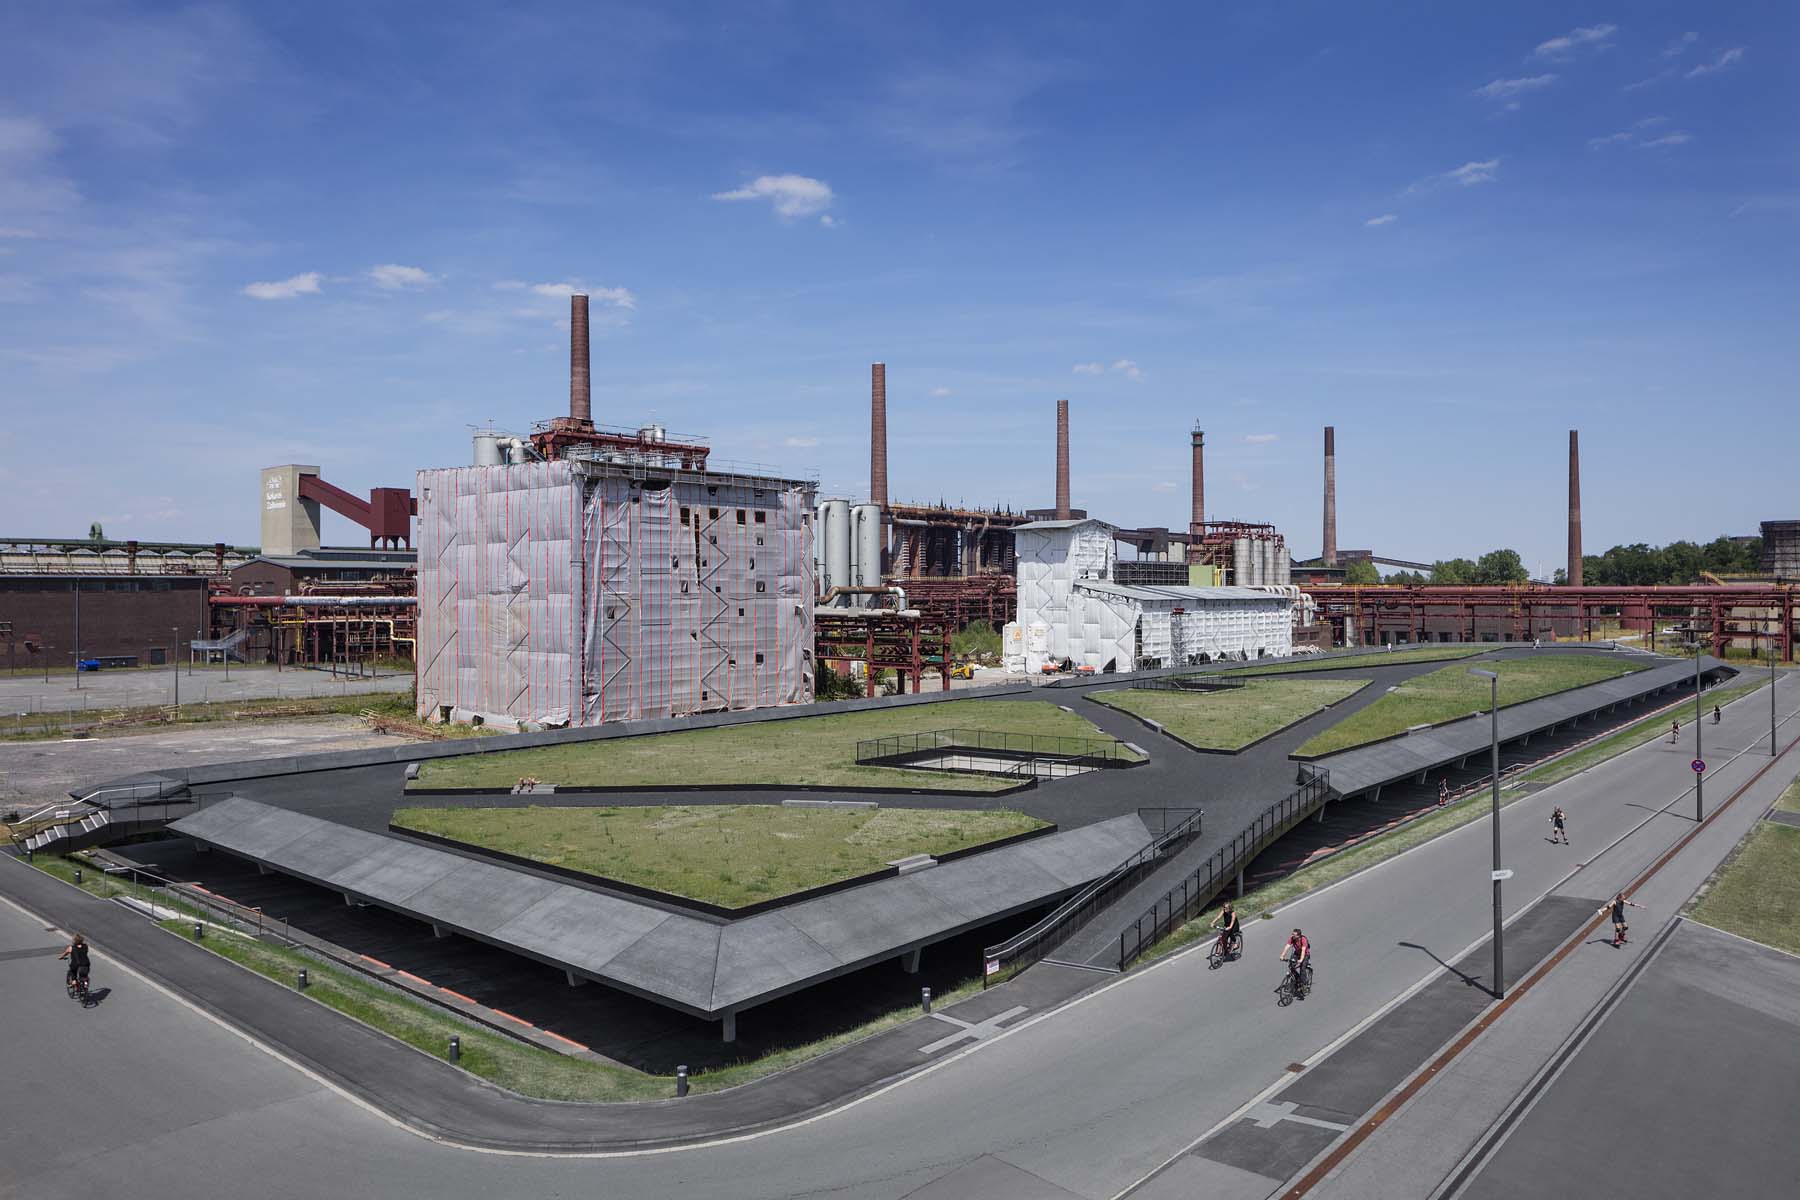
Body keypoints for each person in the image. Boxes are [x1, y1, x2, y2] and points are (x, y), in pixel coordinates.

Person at [1280, 927, 1312, 992]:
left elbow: (1303, 950)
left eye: (1293, 934)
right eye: (1292, 934)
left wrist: (1301, 960)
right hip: (1296, 954)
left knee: (1302, 968)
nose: (1292, 935)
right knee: (1291, 966)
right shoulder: (1292, 938)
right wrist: (1282, 955)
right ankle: (1297, 979)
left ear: (1298, 936)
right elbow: (1287, 946)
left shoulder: (1303, 940)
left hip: (1305, 955)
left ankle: (1304, 985)